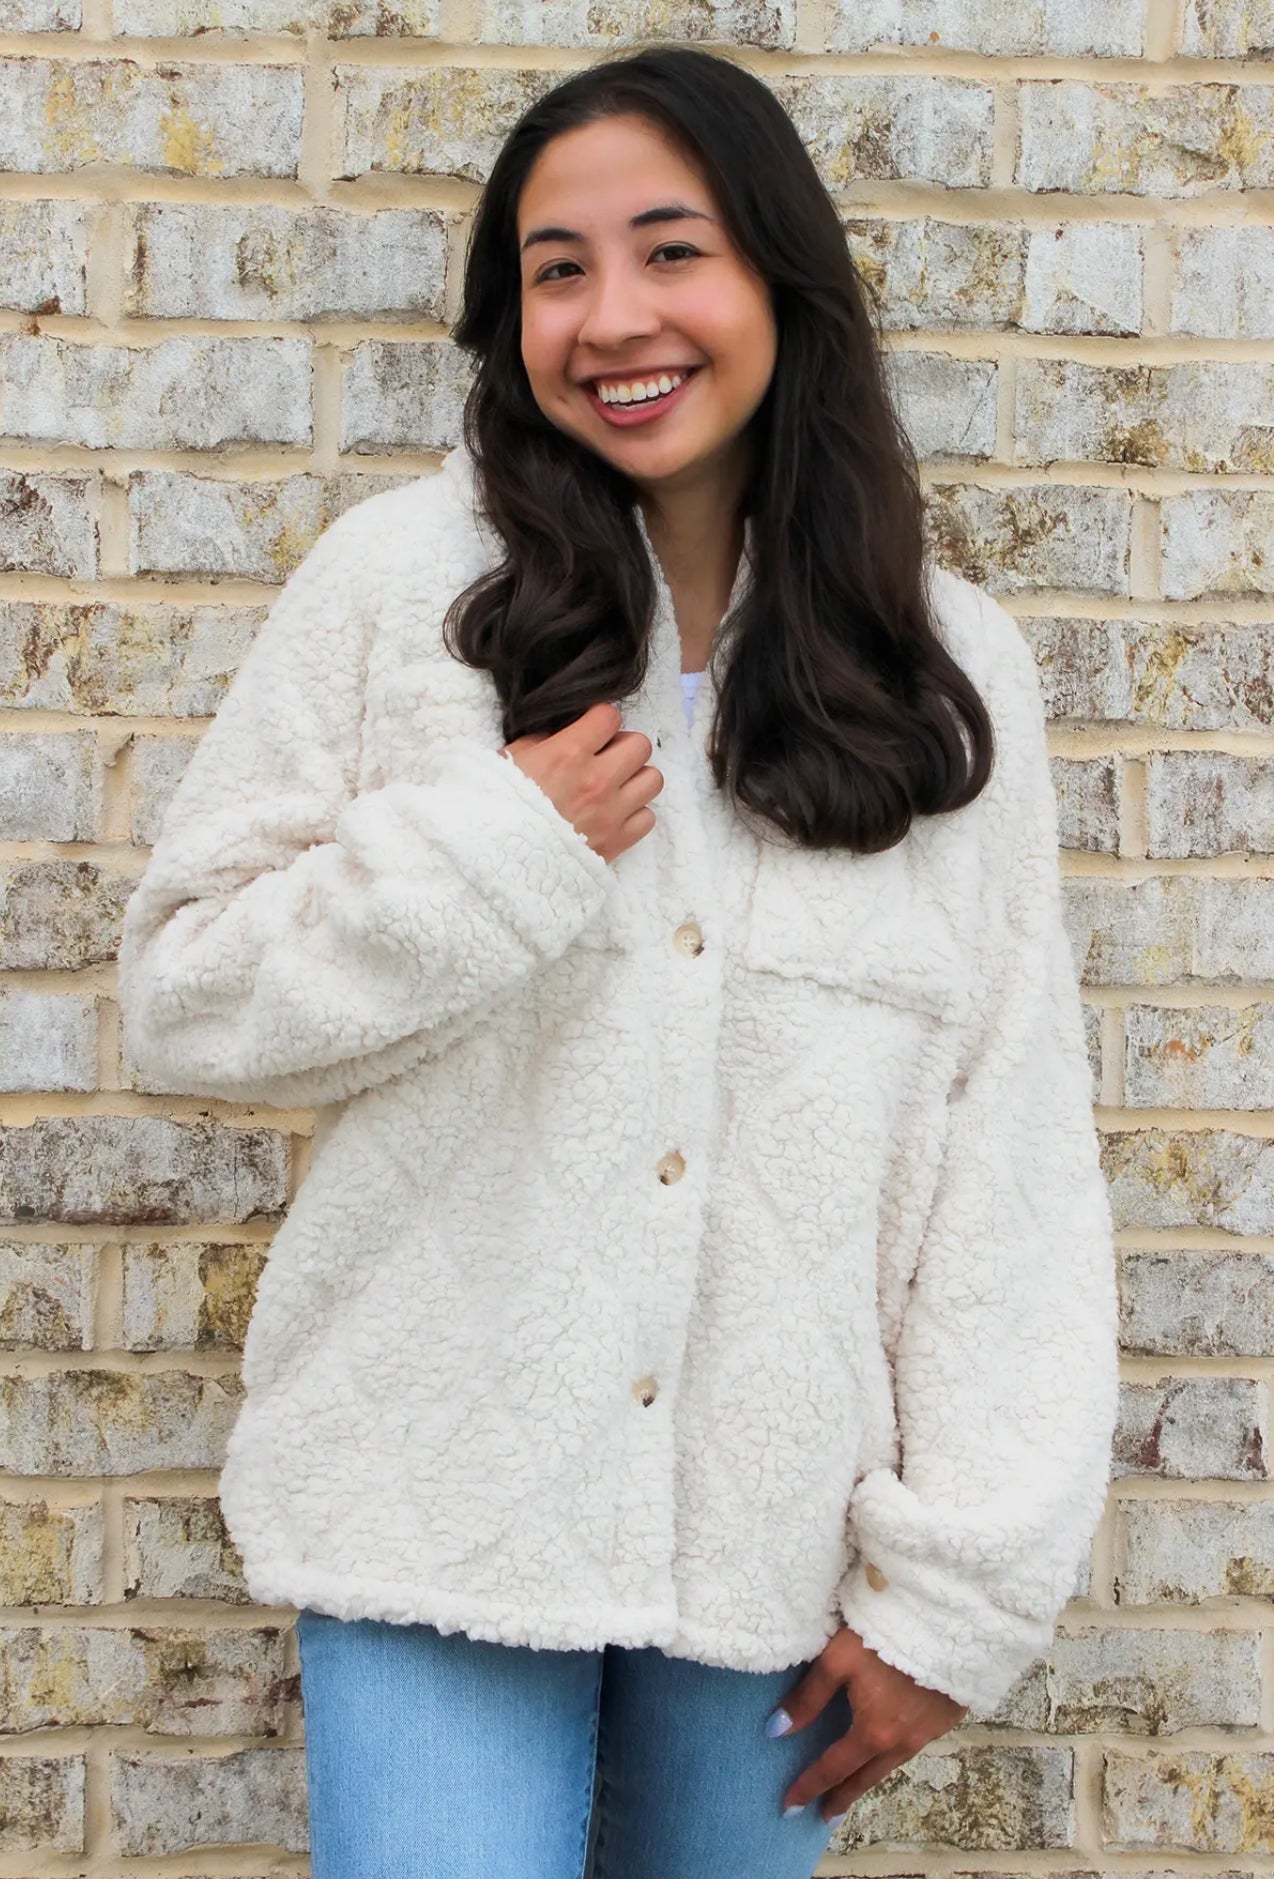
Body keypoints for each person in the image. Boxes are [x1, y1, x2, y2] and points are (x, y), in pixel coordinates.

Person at [115, 42, 1119, 1879]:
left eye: (671, 252)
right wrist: (495, 849)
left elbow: (1008, 1153)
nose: (612, 319)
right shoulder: (398, 592)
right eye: (555, 269)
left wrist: (958, 1590)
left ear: (778, 280)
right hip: (431, 1511)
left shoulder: (942, 666)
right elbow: (189, 995)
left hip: (771, 1546)